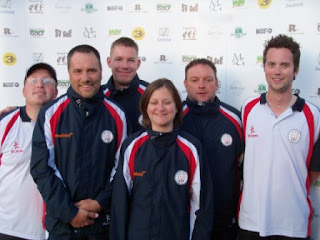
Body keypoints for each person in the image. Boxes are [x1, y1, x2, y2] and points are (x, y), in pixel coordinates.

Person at [30, 45, 127, 240]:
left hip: (102, 226)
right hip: (63, 227)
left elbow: (122, 169)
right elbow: (41, 169)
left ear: (101, 71)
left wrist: (99, 202)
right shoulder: (50, 114)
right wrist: (70, 213)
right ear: (69, 74)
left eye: (91, 70)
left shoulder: (117, 115)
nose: (85, 78)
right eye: (78, 71)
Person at [238, 34, 320, 240]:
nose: (277, 71)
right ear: (264, 67)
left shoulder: (313, 115)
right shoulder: (248, 109)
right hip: (251, 221)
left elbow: (313, 171)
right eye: (271, 64)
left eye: (284, 65)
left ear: (296, 70)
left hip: (293, 224)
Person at [110, 78, 213, 240]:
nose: (160, 108)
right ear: (145, 107)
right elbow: (120, 203)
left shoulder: (192, 148)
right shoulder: (131, 146)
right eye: (154, 102)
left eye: (167, 102)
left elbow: (201, 205)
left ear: (177, 107)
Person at [181, 58, 244, 240]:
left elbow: (243, 164)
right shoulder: (174, 118)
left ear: (217, 83)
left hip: (223, 216)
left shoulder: (234, 119)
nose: (202, 85)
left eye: (208, 80)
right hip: (184, 216)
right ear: (185, 84)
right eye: (194, 80)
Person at [0, 63, 58, 240]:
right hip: (10, 229)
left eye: (47, 81)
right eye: (33, 80)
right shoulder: (5, 123)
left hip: (56, 229)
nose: (40, 84)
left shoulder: (65, 124)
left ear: (56, 92)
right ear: (24, 90)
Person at [103, 36, 149, 133]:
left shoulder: (152, 94)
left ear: (138, 64)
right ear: (109, 62)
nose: (124, 66)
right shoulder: (98, 95)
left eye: (131, 60)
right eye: (119, 59)